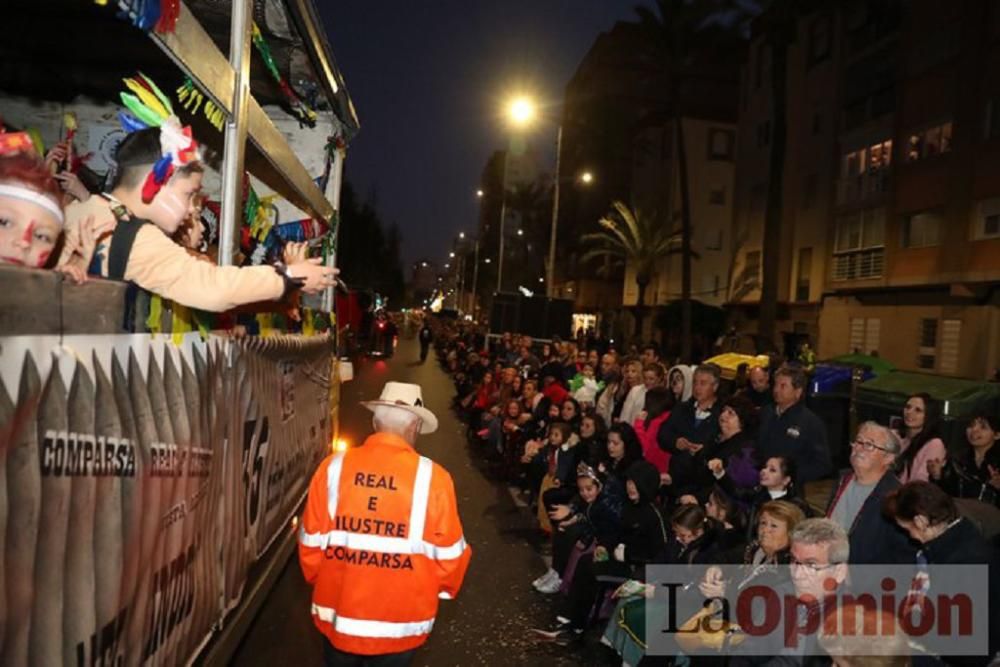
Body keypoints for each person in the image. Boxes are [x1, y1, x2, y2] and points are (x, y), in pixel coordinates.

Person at [58, 126, 335, 310]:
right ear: (154, 183)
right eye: (188, 194)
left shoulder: (81, 211)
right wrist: (289, 277)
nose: (192, 210)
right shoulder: (134, 237)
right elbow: (210, 287)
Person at [298, 381, 471, 665]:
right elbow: (451, 560)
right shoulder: (434, 478)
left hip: (339, 617)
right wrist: (431, 590)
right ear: (414, 426)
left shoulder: (333, 467)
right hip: (400, 627)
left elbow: (310, 546)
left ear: (376, 422)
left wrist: (330, 579)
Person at [883, 481, 1000, 665]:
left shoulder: (963, 563)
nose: (911, 537)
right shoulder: (958, 541)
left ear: (921, 521)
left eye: (908, 529)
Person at [825, 422, 912, 564]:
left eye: (870, 445)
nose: (860, 449)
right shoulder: (843, 480)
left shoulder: (897, 496)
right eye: (859, 442)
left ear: (888, 458)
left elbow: (902, 555)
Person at [658, 363, 724, 498]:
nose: (697, 388)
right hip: (675, 479)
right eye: (695, 383)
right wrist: (675, 442)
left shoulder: (722, 414)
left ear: (715, 386)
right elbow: (663, 433)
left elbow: (724, 444)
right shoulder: (682, 408)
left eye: (703, 383)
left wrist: (704, 450)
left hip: (702, 485)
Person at [758, 365, 831, 485]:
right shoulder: (766, 413)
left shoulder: (811, 423)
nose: (776, 390)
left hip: (788, 490)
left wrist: (789, 476)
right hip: (760, 486)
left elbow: (822, 464)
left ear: (798, 392)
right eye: (775, 384)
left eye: (783, 386)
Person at [928, 412, 1000, 507]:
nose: (974, 430)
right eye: (971, 425)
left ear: (997, 435)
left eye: (983, 427)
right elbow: (946, 495)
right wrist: (937, 476)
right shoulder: (957, 460)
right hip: (961, 513)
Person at [892, 393, 947, 484]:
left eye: (918, 410)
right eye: (908, 407)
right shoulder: (895, 435)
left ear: (929, 416)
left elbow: (921, 481)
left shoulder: (934, 444)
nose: (909, 412)